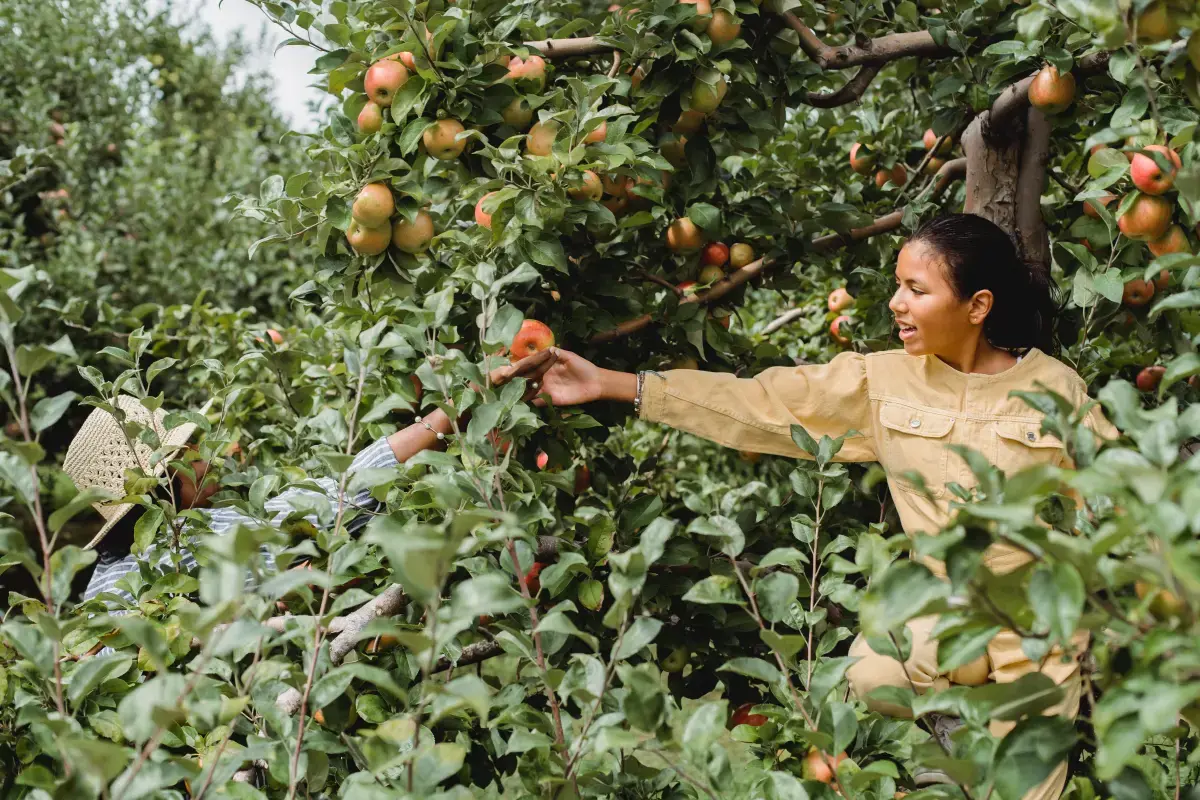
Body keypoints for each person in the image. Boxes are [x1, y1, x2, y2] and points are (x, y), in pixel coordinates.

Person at [533, 214, 1117, 800]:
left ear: (977, 305)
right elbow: (760, 403)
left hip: (1039, 625)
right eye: (898, 285)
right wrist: (615, 383)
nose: (896, 303)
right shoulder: (882, 380)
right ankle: (951, 745)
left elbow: (1120, 501)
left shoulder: (1054, 392)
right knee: (867, 675)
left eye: (916, 290)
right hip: (939, 602)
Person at [69, 350, 557, 617]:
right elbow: (339, 495)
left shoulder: (98, 594)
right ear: (161, 486)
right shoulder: (204, 534)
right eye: (189, 453)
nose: (208, 457)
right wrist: (452, 412)